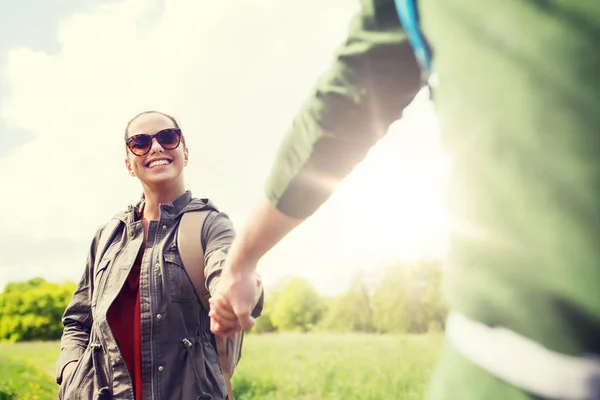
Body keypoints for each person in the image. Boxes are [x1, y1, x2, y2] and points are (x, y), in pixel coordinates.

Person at [208, 0, 600, 399]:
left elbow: (344, 105)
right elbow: (346, 104)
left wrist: (238, 267)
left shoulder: (207, 222)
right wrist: (241, 265)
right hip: (511, 365)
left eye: (166, 137)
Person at [55, 111, 261, 399]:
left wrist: (237, 287)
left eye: (167, 137)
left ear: (184, 152)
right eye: (139, 142)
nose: (155, 147)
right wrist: (71, 373)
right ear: (129, 163)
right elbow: (78, 321)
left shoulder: (211, 225)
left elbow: (226, 272)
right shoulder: (107, 235)